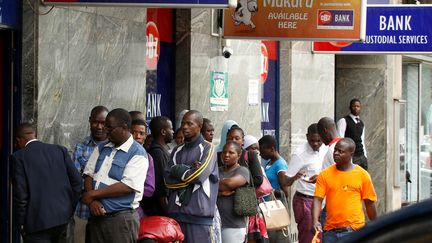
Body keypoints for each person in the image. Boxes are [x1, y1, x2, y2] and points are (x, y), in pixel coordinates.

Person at [82, 108, 149, 243]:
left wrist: (92, 195)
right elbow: (88, 174)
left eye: (110, 128)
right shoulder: (102, 147)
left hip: (120, 221)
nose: (105, 130)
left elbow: (127, 186)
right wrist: (92, 201)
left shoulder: (138, 153)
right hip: (96, 217)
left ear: (124, 127)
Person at [10, 123, 82, 243]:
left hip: (36, 225)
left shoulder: (18, 157)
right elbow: (78, 182)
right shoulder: (60, 150)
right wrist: (69, 209)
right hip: (62, 219)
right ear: (35, 135)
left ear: (18, 139)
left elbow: (21, 195)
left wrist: (21, 222)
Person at [164, 110, 218, 243]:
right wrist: (190, 171)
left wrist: (178, 171)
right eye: (183, 123)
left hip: (199, 219)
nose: (185, 127)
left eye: (190, 123)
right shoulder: (176, 150)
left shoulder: (208, 148)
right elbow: (167, 180)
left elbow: (199, 177)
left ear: (200, 126)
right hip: (176, 216)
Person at [312, 138, 377, 243]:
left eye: (341, 151)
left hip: (354, 231)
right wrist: (315, 220)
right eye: (335, 150)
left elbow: (369, 203)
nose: (336, 153)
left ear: (351, 154)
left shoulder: (362, 175)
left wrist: (375, 226)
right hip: (330, 232)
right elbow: (317, 199)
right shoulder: (324, 175)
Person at [284, 123, 327, 243]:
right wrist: (295, 177)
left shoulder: (326, 149)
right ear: (307, 136)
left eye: (319, 140)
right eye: (312, 140)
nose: (315, 144)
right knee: (308, 238)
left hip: (323, 201)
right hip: (306, 201)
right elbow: (286, 181)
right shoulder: (299, 154)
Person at [72, 105, 109, 243]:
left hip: (108, 211)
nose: (99, 127)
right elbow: (76, 180)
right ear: (89, 121)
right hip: (84, 211)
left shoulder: (115, 148)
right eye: (95, 122)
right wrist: (92, 201)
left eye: (103, 123)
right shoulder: (80, 147)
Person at [218, 141, 250, 243]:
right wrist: (220, 193)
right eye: (224, 152)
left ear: (238, 155)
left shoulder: (242, 171)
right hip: (215, 224)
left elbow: (228, 184)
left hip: (234, 225)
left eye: (231, 153)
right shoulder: (217, 170)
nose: (226, 155)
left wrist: (214, 183)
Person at [144, 116, 174, 216]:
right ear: (163, 132)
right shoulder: (157, 153)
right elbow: (160, 185)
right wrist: (168, 213)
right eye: (171, 129)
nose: (173, 131)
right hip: (158, 211)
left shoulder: (163, 150)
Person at [337, 98, 368, 170]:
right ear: (350, 107)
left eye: (358, 106)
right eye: (354, 106)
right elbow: (340, 139)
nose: (356, 108)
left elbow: (362, 140)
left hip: (362, 156)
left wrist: (365, 156)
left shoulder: (361, 123)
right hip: (351, 157)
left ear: (361, 108)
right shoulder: (344, 121)